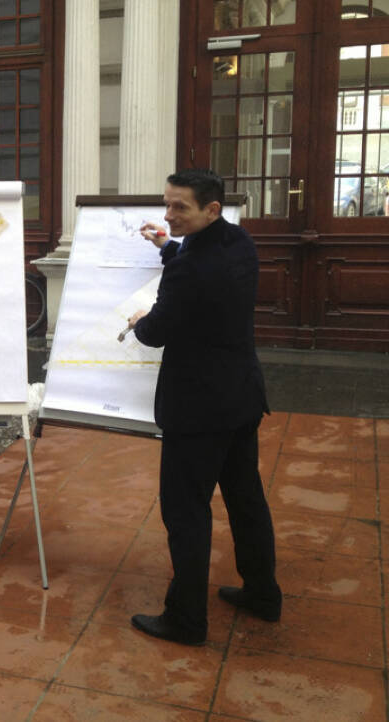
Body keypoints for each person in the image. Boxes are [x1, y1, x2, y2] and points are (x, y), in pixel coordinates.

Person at [124, 169, 282, 645]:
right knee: (245, 500)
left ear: (212, 209)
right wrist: (167, 245)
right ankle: (263, 594)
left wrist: (140, 319)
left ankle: (186, 620)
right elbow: (200, 270)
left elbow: (155, 333)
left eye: (180, 209)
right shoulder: (239, 242)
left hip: (196, 410)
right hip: (240, 397)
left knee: (186, 511)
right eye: (166, 205)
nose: (169, 215)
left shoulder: (189, 268)